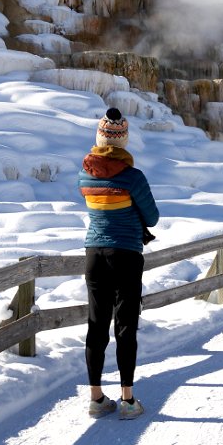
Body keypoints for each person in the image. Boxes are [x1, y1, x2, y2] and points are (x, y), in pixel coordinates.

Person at [77, 107, 160, 420]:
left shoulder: (84, 173)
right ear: (123, 141)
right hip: (125, 254)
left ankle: (96, 398)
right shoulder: (132, 177)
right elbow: (152, 217)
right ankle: (127, 400)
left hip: (94, 254)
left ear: (99, 139)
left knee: (96, 325)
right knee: (126, 325)